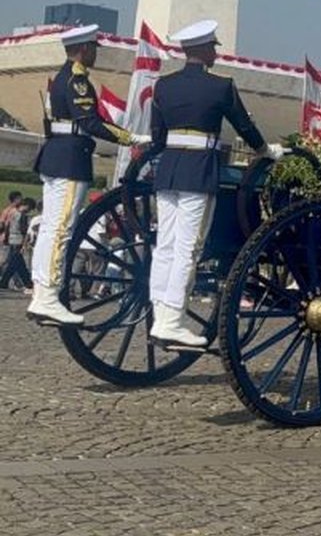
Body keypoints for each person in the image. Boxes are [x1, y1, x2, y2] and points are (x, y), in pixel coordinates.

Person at [146, 20, 280, 350]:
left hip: (169, 171)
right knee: (187, 249)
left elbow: (158, 135)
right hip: (198, 170)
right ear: (204, 50)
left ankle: (160, 314)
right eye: (213, 48)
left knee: (164, 246)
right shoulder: (220, 87)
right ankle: (173, 321)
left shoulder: (163, 86)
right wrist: (266, 150)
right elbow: (244, 127)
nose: (216, 53)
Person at [28, 25, 135, 325]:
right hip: (70, 158)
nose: (96, 53)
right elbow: (90, 121)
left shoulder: (62, 76)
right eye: (95, 48)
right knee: (61, 227)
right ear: (85, 49)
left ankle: (41, 293)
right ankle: (48, 296)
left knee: (51, 227)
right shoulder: (77, 80)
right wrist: (130, 138)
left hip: (56, 155)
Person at [0, 198, 35, 291]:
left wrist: (6, 238)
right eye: (30, 208)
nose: (29, 210)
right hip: (19, 241)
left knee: (14, 263)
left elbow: (7, 226)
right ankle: (28, 283)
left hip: (11, 240)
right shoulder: (22, 216)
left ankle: (4, 282)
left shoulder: (12, 213)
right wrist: (25, 243)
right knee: (18, 264)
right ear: (27, 206)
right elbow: (24, 231)